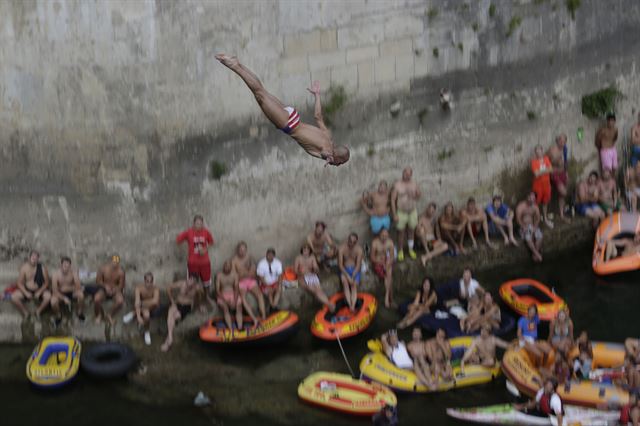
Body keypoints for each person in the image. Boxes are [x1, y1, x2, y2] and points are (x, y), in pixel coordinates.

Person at [216, 54, 349, 166]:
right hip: (288, 124)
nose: (338, 165)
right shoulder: (326, 152)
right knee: (260, 94)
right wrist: (329, 159)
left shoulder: (327, 135)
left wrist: (317, 96)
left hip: (293, 116)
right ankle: (235, 66)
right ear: (337, 157)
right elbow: (326, 155)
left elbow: (318, 116)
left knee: (262, 92)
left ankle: (238, 64)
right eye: (340, 162)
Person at [176, 214, 215, 309]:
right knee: (192, 283)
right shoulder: (189, 232)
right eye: (197, 223)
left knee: (206, 282)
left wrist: (205, 249)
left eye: (201, 223)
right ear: (193, 223)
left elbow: (211, 242)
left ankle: (207, 298)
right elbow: (178, 240)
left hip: (205, 263)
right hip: (192, 263)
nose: (199, 225)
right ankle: (194, 301)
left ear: (203, 224)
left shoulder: (206, 232)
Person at [161, 274, 199, 352]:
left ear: (195, 283)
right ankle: (170, 339)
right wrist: (172, 300)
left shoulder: (197, 288)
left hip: (186, 306)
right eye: (190, 279)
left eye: (193, 281)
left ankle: (167, 341)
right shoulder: (181, 283)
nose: (190, 282)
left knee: (174, 317)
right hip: (177, 303)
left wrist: (198, 307)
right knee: (171, 312)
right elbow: (168, 288)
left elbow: (200, 297)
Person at [231, 241, 266, 324]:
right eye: (240, 250)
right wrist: (245, 274)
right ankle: (254, 318)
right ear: (237, 250)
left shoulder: (249, 257)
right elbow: (234, 276)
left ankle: (263, 316)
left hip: (250, 280)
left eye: (244, 250)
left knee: (260, 295)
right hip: (241, 283)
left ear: (246, 250)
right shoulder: (234, 261)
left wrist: (245, 274)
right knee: (243, 298)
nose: (242, 252)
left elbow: (254, 272)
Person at [391, 167, 421, 261]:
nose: (406, 175)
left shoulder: (414, 184)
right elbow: (392, 199)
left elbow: (418, 196)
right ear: (402, 173)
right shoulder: (397, 184)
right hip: (401, 212)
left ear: (411, 175)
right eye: (405, 173)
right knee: (401, 232)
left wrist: (417, 194)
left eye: (408, 174)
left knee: (411, 231)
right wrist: (394, 214)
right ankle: (400, 251)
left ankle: (410, 250)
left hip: (412, 211)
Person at [11, 250, 51, 319]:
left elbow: (47, 282)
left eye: (36, 257)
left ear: (38, 259)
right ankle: (25, 312)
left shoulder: (42, 268)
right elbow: (19, 283)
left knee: (48, 296)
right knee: (14, 297)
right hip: (27, 289)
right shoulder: (24, 268)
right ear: (29, 258)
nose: (34, 259)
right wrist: (26, 293)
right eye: (33, 257)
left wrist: (40, 292)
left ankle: (38, 311)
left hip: (39, 289)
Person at [50, 256, 85, 324]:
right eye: (64, 265)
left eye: (68, 265)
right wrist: (63, 298)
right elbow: (54, 291)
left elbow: (78, 286)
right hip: (60, 294)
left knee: (81, 295)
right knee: (53, 302)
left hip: (71, 292)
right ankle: (59, 316)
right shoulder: (55, 275)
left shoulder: (73, 273)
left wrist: (69, 288)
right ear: (61, 265)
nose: (66, 267)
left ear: (70, 266)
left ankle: (79, 313)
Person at [128, 272, 160, 346]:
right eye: (147, 281)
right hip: (143, 308)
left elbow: (155, 301)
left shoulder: (155, 288)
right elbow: (136, 302)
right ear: (144, 281)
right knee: (146, 315)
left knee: (154, 303)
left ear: (153, 281)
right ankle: (147, 332)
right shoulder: (138, 288)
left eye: (151, 281)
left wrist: (141, 303)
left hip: (152, 307)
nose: (149, 283)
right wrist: (139, 317)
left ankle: (133, 313)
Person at [94, 254, 125, 324]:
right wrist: (105, 286)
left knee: (120, 301)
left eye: (117, 263)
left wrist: (115, 290)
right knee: (96, 299)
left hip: (115, 289)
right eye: (114, 262)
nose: (115, 264)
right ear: (110, 262)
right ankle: (98, 315)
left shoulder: (121, 272)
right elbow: (98, 281)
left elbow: (121, 285)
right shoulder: (103, 269)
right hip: (104, 289)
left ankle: (110, 314)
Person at [548, 134, 571, 223]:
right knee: (563, 192)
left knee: (562, 195)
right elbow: (546, 161)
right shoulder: (552, 150)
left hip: (562, 173)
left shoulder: (565, 149)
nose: (562, 142)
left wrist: (566, 172)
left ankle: (561, 214)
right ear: (557, 141)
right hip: (554, 173)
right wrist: (554, 163)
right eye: (560, 140)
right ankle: (553, 213)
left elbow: (565, 162)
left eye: (564, 141)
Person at [338, 232, 364, 312]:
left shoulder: (359, 250)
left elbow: (358, 265)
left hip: (354, 270)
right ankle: (350, 305)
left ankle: (353, 305)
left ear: (356, 242)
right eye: (350, 241)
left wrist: (352, 276)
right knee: (345, 283)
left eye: (353, 242)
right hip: (344, 269)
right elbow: (340, 265)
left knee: (353, 286)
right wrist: (348, 276)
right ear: (347, 240)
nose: (351, 243)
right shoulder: (341, 249)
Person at [370, 229, 395, 308]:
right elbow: (372, 258)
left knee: (388, 271)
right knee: (388, 276)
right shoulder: (375, 243)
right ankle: (390, 299)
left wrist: (387, 263)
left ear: (388, 236)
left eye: (386, 236)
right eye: (382, 236)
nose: (384, 237)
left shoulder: (390, 242)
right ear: (379, 235)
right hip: (378, 262)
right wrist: (381, 263)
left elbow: (392, 256)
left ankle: (387, 297)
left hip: (386, 261)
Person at [516, 191, 544, 262]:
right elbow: (518, 219)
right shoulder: (521, 206)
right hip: (523, 226)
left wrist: (535, 227)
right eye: (530, 197)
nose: (531, 199)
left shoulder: (535, 207)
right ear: (527, 197)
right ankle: (537, 254)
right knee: (528, 237)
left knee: (539, 236)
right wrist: (523, 227)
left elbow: (538, 218)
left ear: (535, 199)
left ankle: (535, 254)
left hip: (532, 225)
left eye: (533, 198)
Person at [531, 145, 554, 228]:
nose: (538, 153)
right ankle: (535, 220)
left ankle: (545, 218)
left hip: (547, 185)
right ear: (535, 153)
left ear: (542, 151)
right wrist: (546, 170)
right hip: (537, 186)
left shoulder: (546, 159)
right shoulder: (534, 162)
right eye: (536, 151)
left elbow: (551, 170)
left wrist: (541, 171)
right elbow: (536, 174)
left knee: (545, 202)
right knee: (535, 203)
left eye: (539, 151)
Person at [215, 260, 243, 330]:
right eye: (225, 266)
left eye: (228, 266)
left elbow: (236, 289)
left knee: (239, 308)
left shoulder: (235, 275)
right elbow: (217, 291)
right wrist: (226, 301)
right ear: (223, 267)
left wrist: (235, 301)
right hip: (222, 295)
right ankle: (230, 329)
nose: (226, 268)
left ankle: (240, 328)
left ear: (231, 267)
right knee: (225, 309)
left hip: (233, 294)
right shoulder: (219, 275)